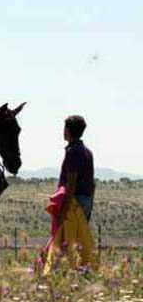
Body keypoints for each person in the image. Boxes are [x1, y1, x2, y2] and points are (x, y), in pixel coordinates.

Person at [43, 115, 96, 274]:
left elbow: (71, 183)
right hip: (85, 201)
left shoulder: (73, 151)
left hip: (74, 203)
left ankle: (64, 274)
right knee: (79, 240)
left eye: (64, 128)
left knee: (66, 241)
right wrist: (90, 206)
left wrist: (63, 211)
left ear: (68, 130)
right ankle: (81, 272)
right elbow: (92, 183)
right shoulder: (87, 151)